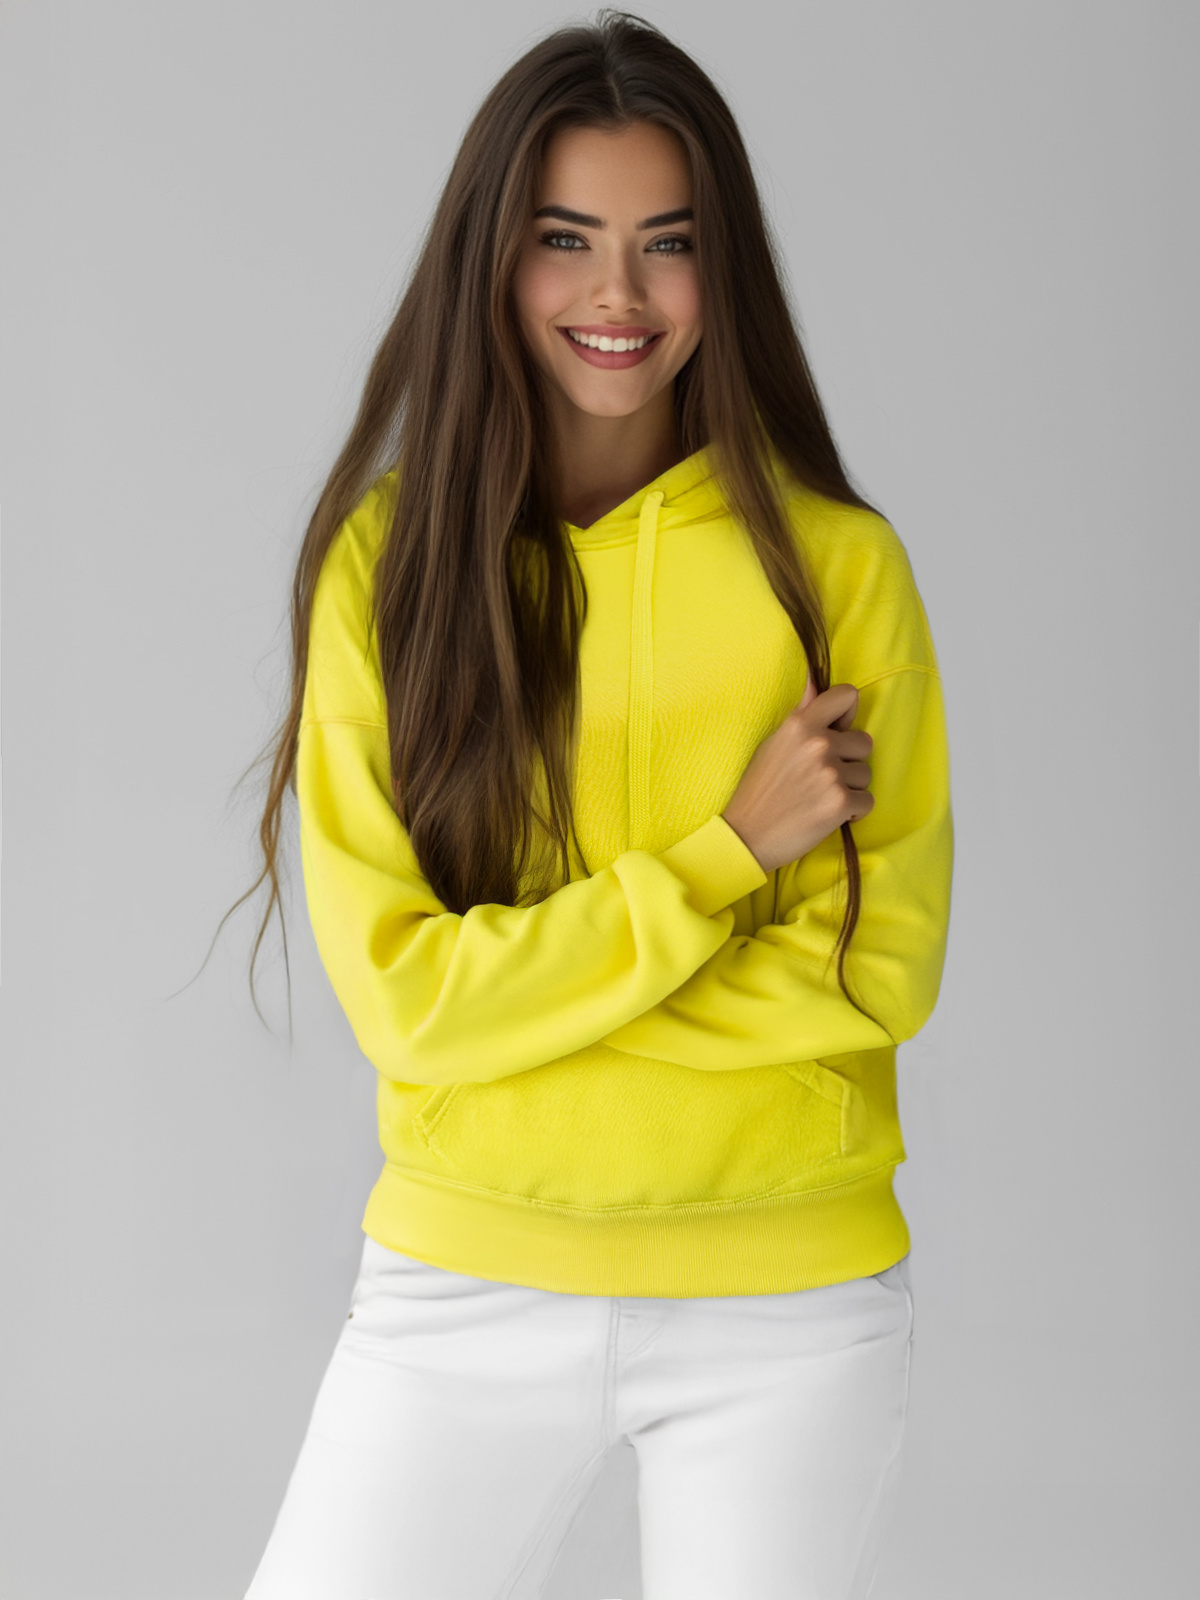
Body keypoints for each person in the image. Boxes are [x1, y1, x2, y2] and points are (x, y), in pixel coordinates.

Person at [233, 9, 953, 1598]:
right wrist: (725, 858)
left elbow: (876, 978)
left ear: (722, 267)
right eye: (565, 239)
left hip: (789, 1302)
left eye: (666, 244)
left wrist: (530, 1018)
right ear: (493, 258)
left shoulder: (838, 570)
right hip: (460, 1280)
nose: (617, 296)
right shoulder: (390, 567)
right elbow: (406, 1003)